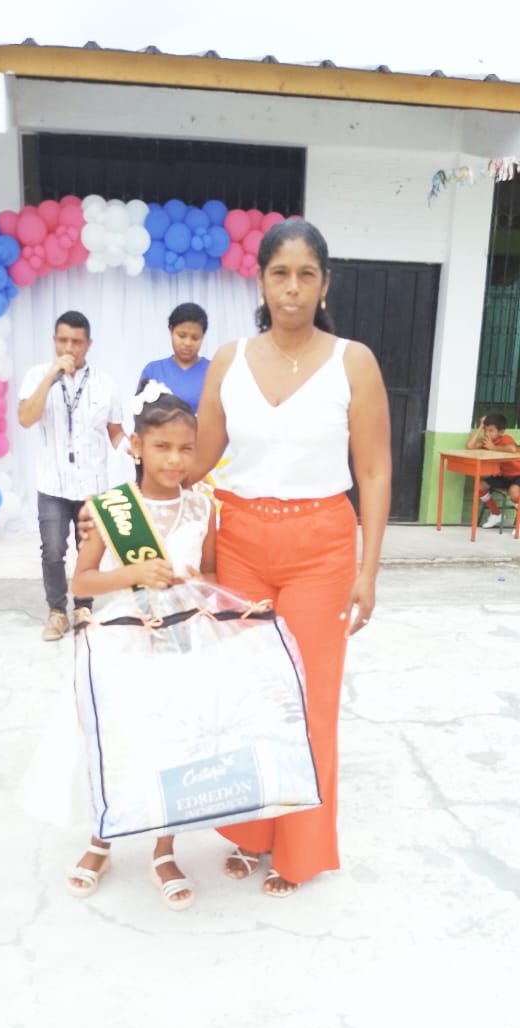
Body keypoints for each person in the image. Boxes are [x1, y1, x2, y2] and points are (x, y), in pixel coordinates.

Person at [188, 218, 392, 897]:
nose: (293, 288)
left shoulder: (352, 362)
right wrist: (125, 504)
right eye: (281, 274)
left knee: (309, 701)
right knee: (250, 697)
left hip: (321, 550)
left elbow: (374, 471)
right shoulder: (229, 360)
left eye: (307, 275)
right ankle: (251, 834)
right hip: (241, 545)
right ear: (261, 281)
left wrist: (368, 570)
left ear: (325, 284)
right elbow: (198, 458)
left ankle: (299, 851)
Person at [67, 382, 216, 910]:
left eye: (185, 448)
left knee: (175, 742)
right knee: (117, 743)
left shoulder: (203, 509)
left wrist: (195, 581)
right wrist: (132, 573)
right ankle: (102, 838)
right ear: (135, 446)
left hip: (182, 641)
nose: (174, 459)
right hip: (124, 642)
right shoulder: (111, 508)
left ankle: (164, 849)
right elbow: (81, 581)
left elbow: (212, 575)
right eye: (162, 446)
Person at [18, 310, 127, 641]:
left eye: (76, 342)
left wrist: (135, 449)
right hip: (52, 483)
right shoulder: (37, 376)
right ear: (54, 341)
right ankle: (56, 612)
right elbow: (25, 418)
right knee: (52, 550)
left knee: (88, 551)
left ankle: (83, 608)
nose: (69, 348)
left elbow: (115, 433)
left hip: (92, 485)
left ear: (88, 344)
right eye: (63, 340)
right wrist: (51, 376)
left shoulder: (106, 383)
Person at [138, 302, 210, 413]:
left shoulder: (213, 371)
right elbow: (139, 412)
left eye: (195, 338)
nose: (187, 343)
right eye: (181, 336)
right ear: (171, 331)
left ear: (203, 337)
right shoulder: (154, 370)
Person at [466, 411, 520, 528]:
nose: (487, 433)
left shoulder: (505, 438)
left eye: (491, 431)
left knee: (514, 491)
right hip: (504, 476)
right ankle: (496, 514)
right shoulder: (487, 441)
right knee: (479, 486)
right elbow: (470, 446)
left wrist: (494, 447)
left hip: (518, 474)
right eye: (486, 430)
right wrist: (481, 425)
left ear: (501, 432)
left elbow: (512, 448)